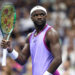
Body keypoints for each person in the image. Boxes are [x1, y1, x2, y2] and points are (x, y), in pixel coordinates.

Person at [1, 5, 62, 75]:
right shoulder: (30, 37)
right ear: (32, 18)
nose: (39, 17)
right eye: (36, 15)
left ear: (46, 16)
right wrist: (10, 50)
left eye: (42, 14)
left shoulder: (51, 33)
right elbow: (22, 60)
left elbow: (58, 59)